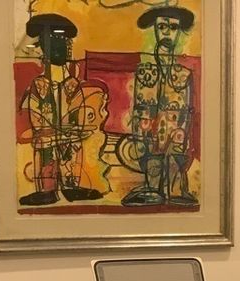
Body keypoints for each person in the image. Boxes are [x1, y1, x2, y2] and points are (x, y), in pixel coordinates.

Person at [20, 13, 103, 207]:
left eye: (64, 41)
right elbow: (35, 115)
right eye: (54, 40)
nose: (62, 46)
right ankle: (47, 190)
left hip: (69, 134)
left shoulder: (72, 84)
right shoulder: (38, 84)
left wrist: (73, 126)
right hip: (47, 135)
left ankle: (71, 186)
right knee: (46, 151)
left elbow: (78, 112)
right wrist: (49, 128)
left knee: (72, 149)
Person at [122, 6, 197, 207]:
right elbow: (140, 114)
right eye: (162, 26)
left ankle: (175, 188)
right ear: (155, 29)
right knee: (148, 141)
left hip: (175, 130)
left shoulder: (184, 75)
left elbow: (186, 115)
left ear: (178, 32)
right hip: (150, 130)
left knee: (177, 143)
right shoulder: (144, 72)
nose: (166, 33)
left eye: (172, 27)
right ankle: (153, 187)